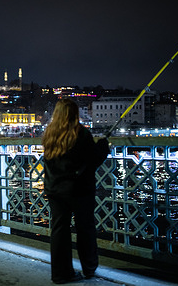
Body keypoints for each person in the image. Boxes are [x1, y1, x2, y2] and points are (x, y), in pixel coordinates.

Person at [42, 98, 110, 284]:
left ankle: (60, 274)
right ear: (74, 113)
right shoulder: (80, 134)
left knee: (59, 230)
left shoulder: (49, 133)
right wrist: (103, 146)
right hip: (79, 190)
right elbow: (94, 159)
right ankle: (89, 268)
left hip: (55, 189)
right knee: (85, 228)